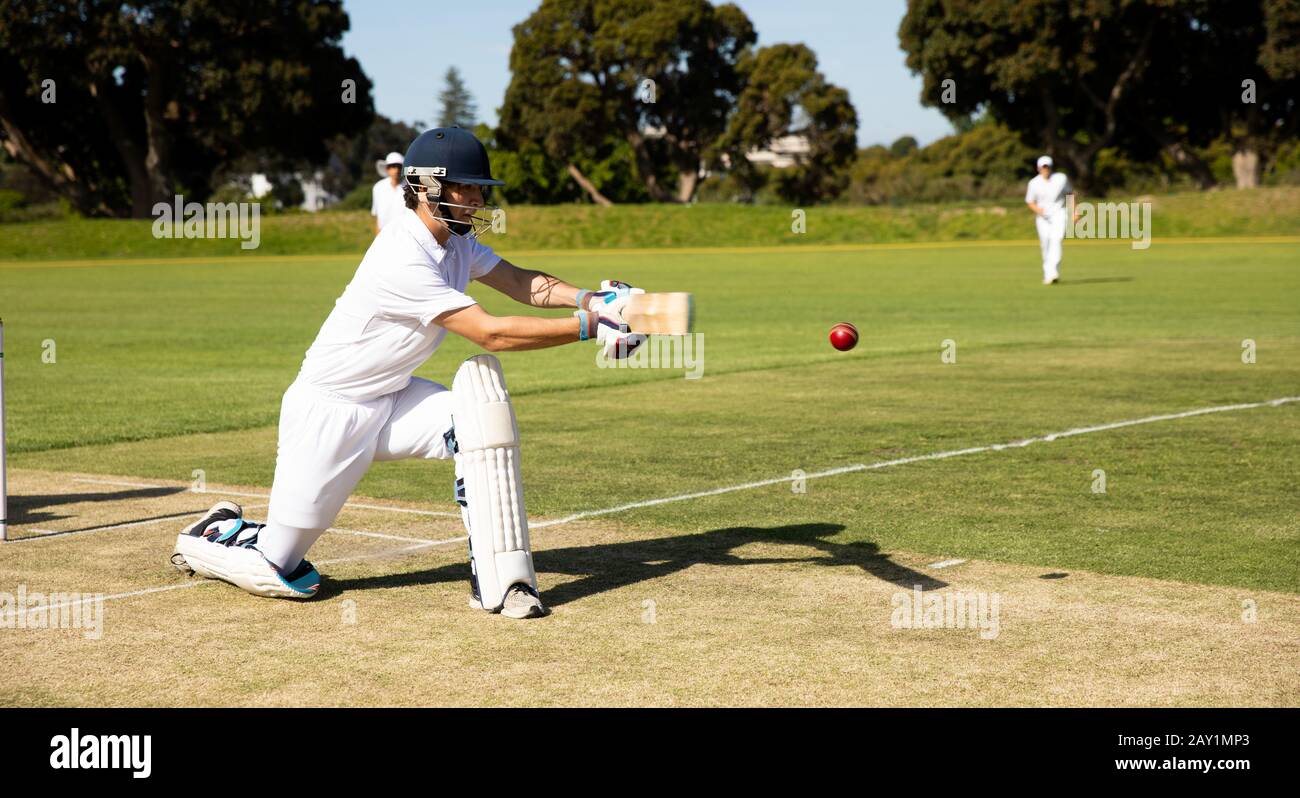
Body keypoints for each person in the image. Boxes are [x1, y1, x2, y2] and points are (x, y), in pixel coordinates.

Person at [171, 127, 647, 620]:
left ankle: (501, 581)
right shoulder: (402, 253)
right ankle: (214, 532)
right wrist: (591, 327)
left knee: (479, 419)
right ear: (426, 187)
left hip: (394, 398)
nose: (477, 198)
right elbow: (491, 334)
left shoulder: (457, 241)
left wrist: (591, 298)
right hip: (331, 410)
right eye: (466, 187)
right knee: (280, 569)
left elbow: (519, 281)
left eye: (479, 188)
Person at [1024, 155, 1080, 284]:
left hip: (1059, 214)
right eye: (1043, 167)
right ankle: (1048, 273)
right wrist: (1038, 210)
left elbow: (1070, 194)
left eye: (1047, 166)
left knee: (1057, 239)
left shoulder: (1061, 179)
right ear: (1038, 168)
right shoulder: (1033, 183)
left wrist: (1075, 211)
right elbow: (1030, 201)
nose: (1045, 169)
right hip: (1043, 218)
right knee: (1046, 243)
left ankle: (1054, 272)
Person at [371, 151, 407, 233]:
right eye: (393, 166)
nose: (396, 170)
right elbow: (378, 218)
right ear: (387, 169)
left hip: (404, 235)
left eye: (399, 166)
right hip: (384, 234)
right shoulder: (378, 188)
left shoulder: (409, 188)